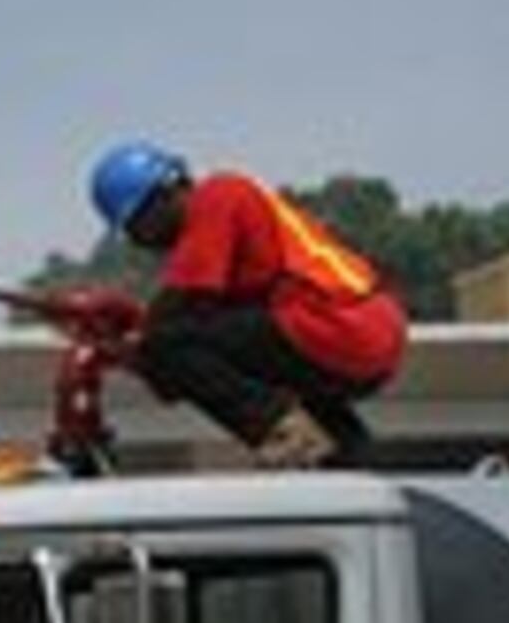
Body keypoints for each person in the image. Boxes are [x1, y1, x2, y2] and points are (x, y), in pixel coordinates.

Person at [86, 141, 406, 469]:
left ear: (166, 194)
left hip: (337, 323)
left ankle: (286, 438)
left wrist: (140, 343)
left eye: (137, 226)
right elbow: (207, 346)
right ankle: (352, 464)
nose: (141, 241)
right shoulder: (233, 226)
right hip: (363, 329)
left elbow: (180, 313)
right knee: (287, 395)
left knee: (168, 342)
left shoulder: (217, 195)